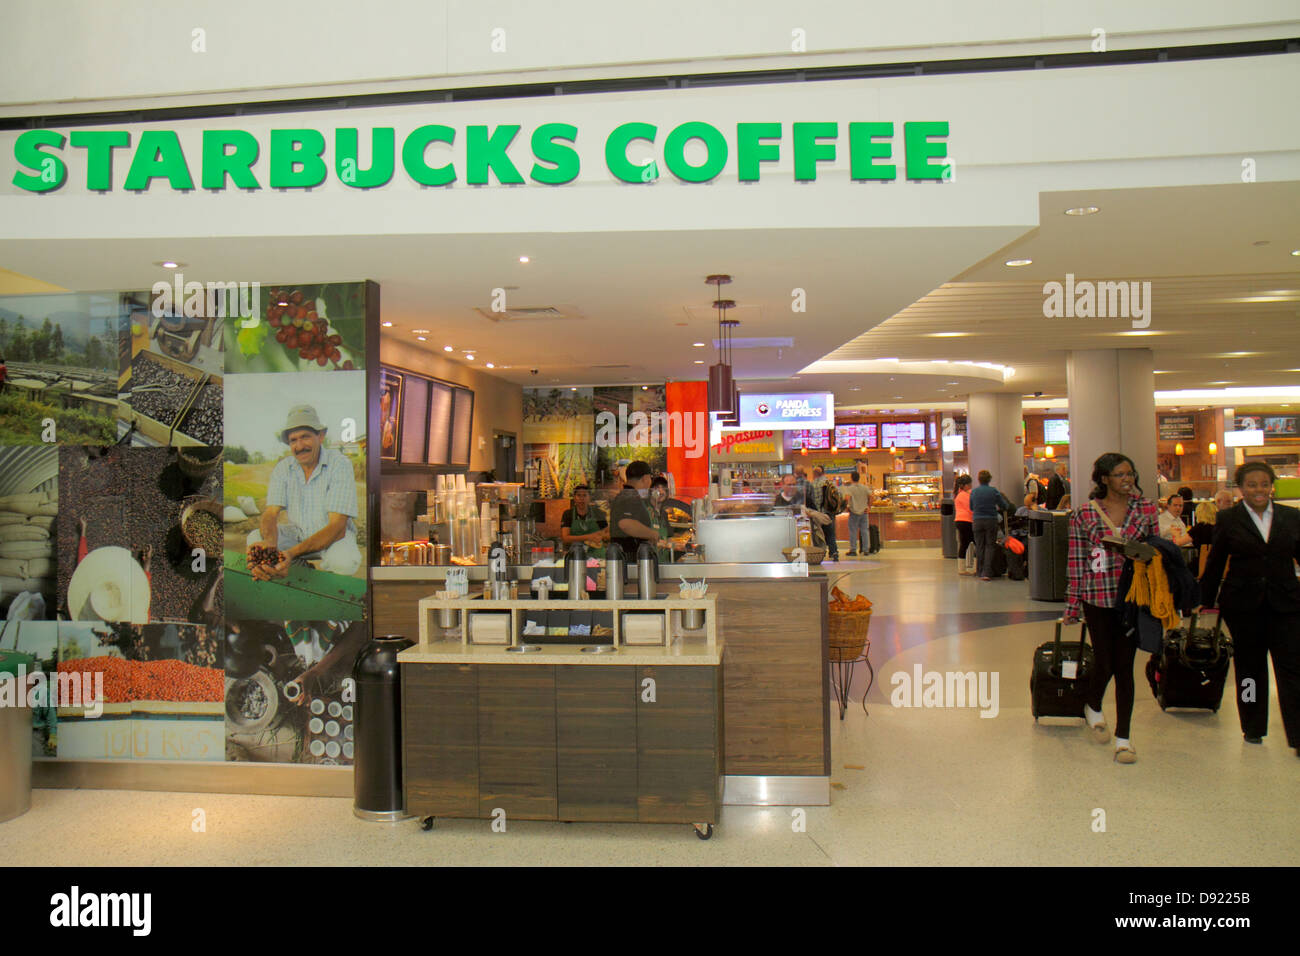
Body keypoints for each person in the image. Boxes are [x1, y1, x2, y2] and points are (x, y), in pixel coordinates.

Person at [1064, 452, 1159, 764]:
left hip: (1133, 595)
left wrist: (1136, 552)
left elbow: (1156, 552)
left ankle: (1124, 738)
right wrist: (1072, 605)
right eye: (1120, 474)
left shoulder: (1146, 508)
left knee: (1124, 666)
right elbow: (1077, 562)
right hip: (1097, 595)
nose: (1127, 479)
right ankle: (1092, 703)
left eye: (1130, 473)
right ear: (1104, 479)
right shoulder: (1083, 514)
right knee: (1104, 661)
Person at [1199, 462, 1300, 754]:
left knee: (1293, 669)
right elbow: (1216, 561)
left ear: (1272, 486)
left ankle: (1297, 734)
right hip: (1243, 607)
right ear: (1241, 488)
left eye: (1264, 484)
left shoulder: (1291, 517)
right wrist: (1205, 600)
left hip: (1287, 604)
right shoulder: (1229, 519)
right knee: (1249, 671)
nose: (1259, 490)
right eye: (1252, 485)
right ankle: (1253, 727)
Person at [247, 404, 361, 579]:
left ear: (320, 436)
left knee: (343, 561)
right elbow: (270, 513)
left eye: (305, 437)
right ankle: (299, 569)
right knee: (255, 538)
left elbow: (337, 526)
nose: (299, 446)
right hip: (298, 534)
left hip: (333, 538)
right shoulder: (283, 468)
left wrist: (291, 553)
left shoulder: (339, 464)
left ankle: (331, 597)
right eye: (293, 440)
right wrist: (269, 545)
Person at [609, 460, 659, 558]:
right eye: (650, 478)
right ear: (645, 478)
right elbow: (625, 524)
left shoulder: (628, 495)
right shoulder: (629, 497)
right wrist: (652, 534)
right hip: (630, 558)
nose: (650, 482)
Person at [969, 470, 1011, 581]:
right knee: (990, 546)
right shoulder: (994, 491)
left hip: (977, 521)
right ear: (989, 479)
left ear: (979, 479)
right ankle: (987, 572)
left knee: (979, 545)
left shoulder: (974, 492)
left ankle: (979, 570)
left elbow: (971, 507)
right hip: (991, 521)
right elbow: (1004, 505)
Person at [560, 484, 607, 558]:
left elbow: (607, 533)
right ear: (574, 498)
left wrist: (600, 536)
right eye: (579, 495)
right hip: (576, 554)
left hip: (597, 555)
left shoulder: (598, 513)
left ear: (590, 498)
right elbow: (565, 538)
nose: (581, 498)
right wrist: (589, 537)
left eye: (585, 495)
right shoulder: (568, 514)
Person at [811, 466, 841, 562]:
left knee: (819, 535)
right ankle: (834, 552)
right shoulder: (830, 483)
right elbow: (839, 495)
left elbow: (811, 500)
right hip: (828, 512)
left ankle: (820, 553)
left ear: (814, 474)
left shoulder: (813, 484)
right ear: (823, 473)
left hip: (817, 514)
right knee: (831, 534)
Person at [843, 470, 872, 556]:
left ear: (851, 478)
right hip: (864, 512)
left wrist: (846, 507)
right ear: (859, 478)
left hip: (854, 512)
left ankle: (853, 550)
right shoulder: (864, 487)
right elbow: (871, 497)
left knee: (853, 531)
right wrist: (868, 507)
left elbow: (846, 499)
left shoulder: (850, 488)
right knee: (865, 531)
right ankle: (866, 550)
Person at [648, 475, 675, 563]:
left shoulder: (664, 514)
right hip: (649, 563)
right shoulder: (646, 511)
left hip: (664, 563)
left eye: (663, 488)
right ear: (650, 491)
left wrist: (673, 544)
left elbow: (669, 538)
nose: (660, 491)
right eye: (656, 488)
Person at [953, 474, 974, 573]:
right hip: (967, 521)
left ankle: (961, 568)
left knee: (963, 544)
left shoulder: (958, 494)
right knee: (975, 543)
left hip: (959, 521)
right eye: (970, 484)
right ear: (965, 485)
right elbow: (971, 509)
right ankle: (976, 567)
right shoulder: (965, 495)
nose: (971, 486)